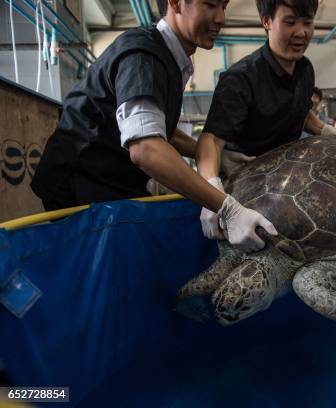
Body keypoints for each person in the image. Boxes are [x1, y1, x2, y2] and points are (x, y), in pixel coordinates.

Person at [30, 0, 276, 253]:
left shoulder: (169, 57)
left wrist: (213, 156)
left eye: (224, 7)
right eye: (211, 4)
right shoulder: (144, 56)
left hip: (110, 184)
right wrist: (227, 208)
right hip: (81, 189)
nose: (221, 17)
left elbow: (160, 130)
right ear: (176, 3)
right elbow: (146, 148)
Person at [197, 0, 336, 241]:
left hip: (288, 188)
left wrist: (324, 130)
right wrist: (211, 192)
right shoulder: (240, 78)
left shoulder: (305, 69)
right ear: (266, 21)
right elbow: (211, 140)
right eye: (290, 22)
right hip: (245, 194)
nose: (301, 32)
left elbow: (300, 110)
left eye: (307, 22)